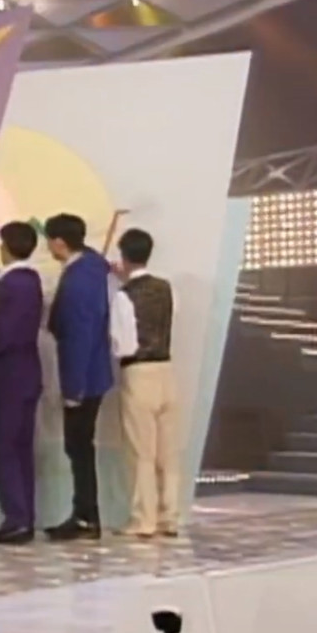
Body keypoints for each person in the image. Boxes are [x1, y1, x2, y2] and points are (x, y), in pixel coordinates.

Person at [43, 213, 114, 542]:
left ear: (59, 242)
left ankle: (86, 515)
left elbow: (79, 335)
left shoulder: (79, 278)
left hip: (84, 376)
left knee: (78, 446)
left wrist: (74, 387)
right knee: (80, 445)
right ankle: (85, 513)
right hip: (93, 372)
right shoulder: (92, 268)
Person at [110, 229, 182, 537]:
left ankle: (144, 519)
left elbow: (123, 345)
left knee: (141, 452)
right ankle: (170, 517)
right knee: (168, 453)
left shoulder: (124, 295)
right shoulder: (166, 288)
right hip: (166, 370)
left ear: (123, 256)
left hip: (138, 374)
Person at [0, 221, 46, 543]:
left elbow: (5, 334)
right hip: (28, 371)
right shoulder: (29, 279)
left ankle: (16, 517)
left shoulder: (13, 285)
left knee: (4, 445)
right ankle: (24, 517)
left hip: (10, 374)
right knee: (21, 448)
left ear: (5, 247)